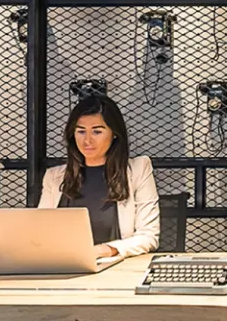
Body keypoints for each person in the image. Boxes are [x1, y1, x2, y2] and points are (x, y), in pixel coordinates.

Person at [38, 92, 160, 259]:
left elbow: (148, 237)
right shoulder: (54, 176)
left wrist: (105, 250)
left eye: (97, 132)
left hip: (116, 267)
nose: (87, 140)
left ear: (114, 133)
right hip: (63, 266)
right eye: (81, 132)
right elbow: (40, 234)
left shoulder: (138, 169)